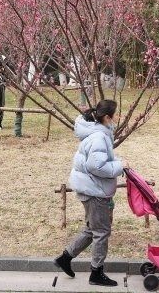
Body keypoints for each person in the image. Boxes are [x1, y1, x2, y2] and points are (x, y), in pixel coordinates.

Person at [54, 100, 126, 287]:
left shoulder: (98, 132)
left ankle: (65, 258)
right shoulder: (98, 137)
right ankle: (96, 273)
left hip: (91, 187)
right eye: (115, 114)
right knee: (101, 232)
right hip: (95, 190)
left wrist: (117, 162)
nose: (117, 118)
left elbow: (98, 160)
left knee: (92, 228)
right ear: (107, 117)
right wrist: (120, 166)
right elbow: (96, 166)